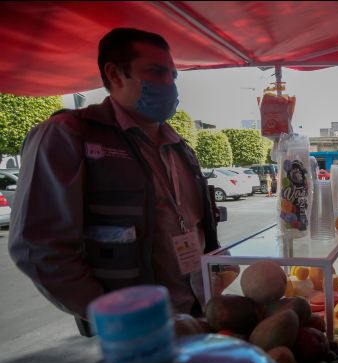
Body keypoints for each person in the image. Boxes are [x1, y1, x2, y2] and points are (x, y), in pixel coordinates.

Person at [9, 28, 222, 337]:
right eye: (156, 72)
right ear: (115, 74)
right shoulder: (69, 135)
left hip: (198, 317)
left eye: (173, 75)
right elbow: (38, 247)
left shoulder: (180, 147)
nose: (169, 84)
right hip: (134, 334)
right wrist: (113, 316)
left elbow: (198, 226)